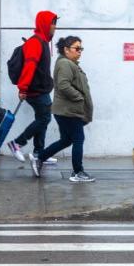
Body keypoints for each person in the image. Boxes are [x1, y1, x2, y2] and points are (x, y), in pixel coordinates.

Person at [36, 35, 95, 182]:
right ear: (66, 49)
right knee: (78, 139)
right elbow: (63, 85)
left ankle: (40, 157)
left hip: (65, 110)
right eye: (76, 48)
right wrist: (79, 98)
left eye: (81, 48)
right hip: (69, 111)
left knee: (66, 140)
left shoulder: (69, 63)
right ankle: (77, 172)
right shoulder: (65, 64)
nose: (80, 51)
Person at [6, 10, 59, 174]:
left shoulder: (42, 41)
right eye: (53, 23)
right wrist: (22, 88)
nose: (55, 27)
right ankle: (17, 143)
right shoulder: (35, 43)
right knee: (44, 118)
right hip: (34, 90)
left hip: (40, 89)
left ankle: (39, 153)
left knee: (42, 119)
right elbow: (29, 67)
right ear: (44, 23)